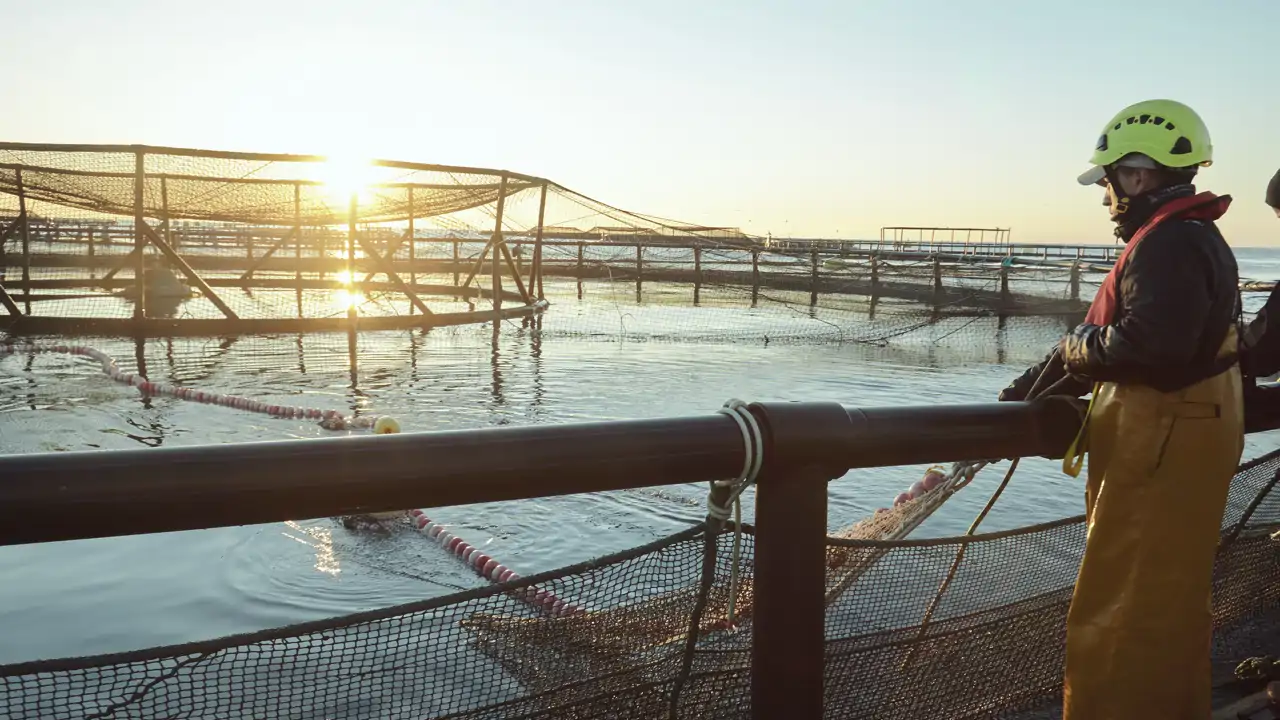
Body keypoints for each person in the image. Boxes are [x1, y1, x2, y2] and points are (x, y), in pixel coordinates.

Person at [999, 99, 1243, 718]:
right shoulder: (1194, 237)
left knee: (1120, 606)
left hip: (1159, 437)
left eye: (1108, 181)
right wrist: (1041, 380)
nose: (1105, 196)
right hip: (1187, 431)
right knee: (1168, 602)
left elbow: (1154, 345)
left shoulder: (1167, 246)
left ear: (1137, 175)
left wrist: (1078, 349)